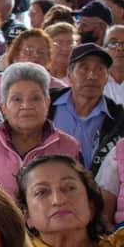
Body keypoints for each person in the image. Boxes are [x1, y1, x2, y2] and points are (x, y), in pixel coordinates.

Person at [0, 63, 80, 194]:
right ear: (3, 107)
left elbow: (78, 196)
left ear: (47, 103)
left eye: (35, 98)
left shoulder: (69, 147)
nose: (26, 105)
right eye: (17, 99)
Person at [51, 43, 124, 174]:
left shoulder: (118, 117)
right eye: (84, 68)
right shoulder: (47, 104)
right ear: (69, 74)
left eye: (100, 69)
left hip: (98, 190)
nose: (92, 76)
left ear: (107, 77)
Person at [0, 29, 66, 101]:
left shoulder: (58, 89)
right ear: (15, 56)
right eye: (29, 50)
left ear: (49, 59)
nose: (35, 56)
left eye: (41, 52)